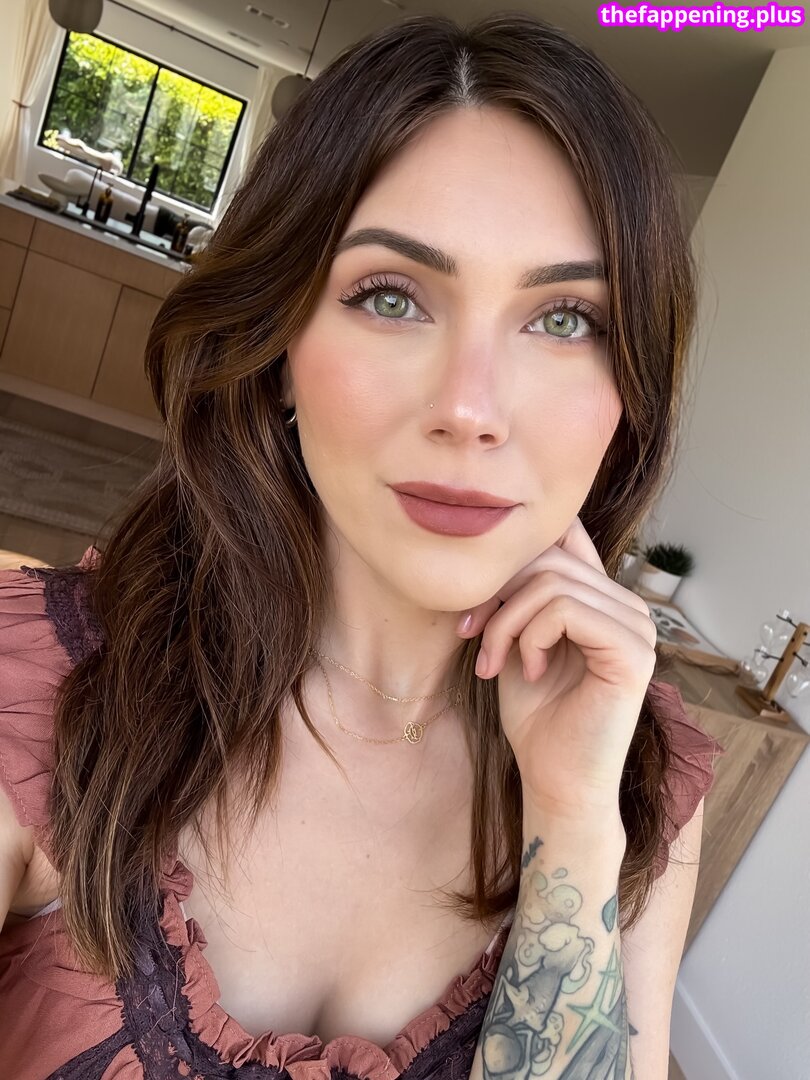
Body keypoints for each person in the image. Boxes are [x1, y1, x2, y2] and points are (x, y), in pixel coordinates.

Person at [0, 12, 724, 1080]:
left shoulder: (635, 773)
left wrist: (571, 821)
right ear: (279, 346)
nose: (471, 409)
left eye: (566, 317)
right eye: (392, 297)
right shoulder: (34, 688)